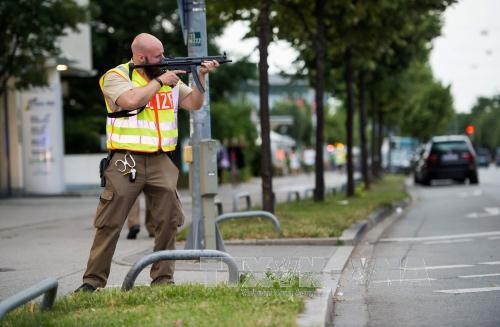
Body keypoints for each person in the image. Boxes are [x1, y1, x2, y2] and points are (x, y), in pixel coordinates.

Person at [75, 33, 219, 292]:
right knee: (109, 222)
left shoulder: (168, 79)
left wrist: (202, 76)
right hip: (125, 159)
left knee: (169, 220)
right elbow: (131, 101)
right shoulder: (116, 76)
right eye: (158, 56)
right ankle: (92, 282)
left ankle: (163, 280)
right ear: (141, 57)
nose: (163, 59)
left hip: (160, 158)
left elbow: (195, 103)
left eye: (163, 54)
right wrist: (160, 81)